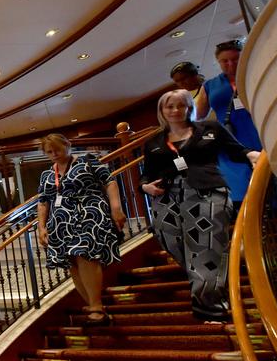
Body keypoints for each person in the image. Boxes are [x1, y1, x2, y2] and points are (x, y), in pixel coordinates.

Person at [141, 90, 258, 323]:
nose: (175, 111)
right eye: (169, 107)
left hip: (207, 192)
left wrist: (251, 154)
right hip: (167, 198)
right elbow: (147, 175)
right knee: (174, 242)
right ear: (162, 111)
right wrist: (145, 187)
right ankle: (210, 286)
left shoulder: (210, 128)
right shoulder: (153, 142)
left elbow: (237, 150)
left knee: (206, 248)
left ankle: (212, 308)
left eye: (180, 106)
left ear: (188, 108)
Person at [35, 134, 126, 324]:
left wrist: (116, 208)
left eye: (57, 149)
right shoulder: (47, 174)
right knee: (71, 261)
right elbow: (43, 202)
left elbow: (110, 182)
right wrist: (41, 226)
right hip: (61, 222)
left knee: (84, 253)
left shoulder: (88, 161)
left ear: (67, 145)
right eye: (49, 152)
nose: (54, 154)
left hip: (89, 213)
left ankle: (96, 307)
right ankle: (95, 307)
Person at [203, 39, 261, 208]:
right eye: (225, 61)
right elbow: (198, 115)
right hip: (229, 135)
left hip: (255, 128)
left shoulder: (253, 75)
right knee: (238, 180)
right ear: (218, 62)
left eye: (235, 59)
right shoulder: (211, 85)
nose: (230, 64)